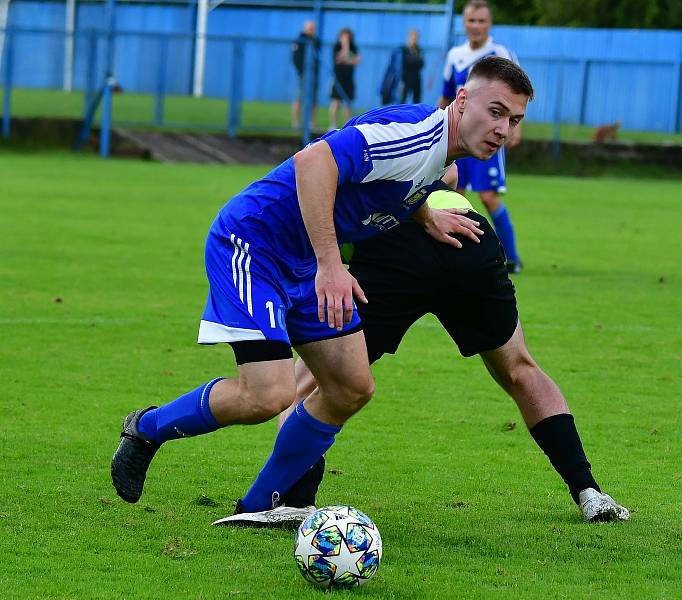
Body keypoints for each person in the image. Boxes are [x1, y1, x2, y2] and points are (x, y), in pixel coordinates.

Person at [110, 57, 535, 525]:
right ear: (462, 100)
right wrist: (332, 265)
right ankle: (146, 429)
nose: (503, 130)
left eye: (514, 120)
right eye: (495, 112)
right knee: (266, 396)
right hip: (256, 244)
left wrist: (426, 216)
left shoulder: (443, 160)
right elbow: (315, 161)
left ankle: (262, 504)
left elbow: (401, 182)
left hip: (307, 259)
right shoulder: (418, 137)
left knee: (351, 387)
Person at [214, 180, 630, 528]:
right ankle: (588, 491)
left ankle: (295, 496)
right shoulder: (432, 134)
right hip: (469, 235)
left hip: (395, 247)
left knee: (315, 378)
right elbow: (447, 174)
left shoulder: (353, 151)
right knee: (520, 368)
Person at [440, 0, 524, 274]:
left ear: (490, 24)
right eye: (471, 21)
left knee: (488, 197)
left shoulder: (500, 54)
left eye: (481, 21)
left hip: (486, 138)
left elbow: (517, 94)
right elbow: (446, 96)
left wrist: (515, 128)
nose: (476, 26)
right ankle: (453, 257)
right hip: (456, 138)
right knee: (454, 196)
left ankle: (512, 257)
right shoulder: (455, 55)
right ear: (464, 23)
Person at [290, 20, 321, 130]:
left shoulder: (316, 41)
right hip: (303, 75)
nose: (311, 30)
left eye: (313, 28)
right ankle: (296, 123)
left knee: (313, 100)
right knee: (299, 98)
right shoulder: (299, 40)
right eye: (309, 28)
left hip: (314, 75)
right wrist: (301, 72)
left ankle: (312, 123)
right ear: (305, 28)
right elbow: (295, 58)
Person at [329, 28, 360, 130]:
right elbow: (338, 59)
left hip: (349, 79)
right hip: (338, 78)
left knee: (348, 103)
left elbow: (357, 60)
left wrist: (347, 58)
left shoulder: (354, 47)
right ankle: (333, 124)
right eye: (344, 37)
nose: (346, 39)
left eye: (348, 37)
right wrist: (345, 48)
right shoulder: (336, 47)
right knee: (336, 102)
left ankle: (348, 126)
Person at [399, 29, 424, 104]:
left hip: (416, 78)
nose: (415, 39)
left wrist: (415, 59)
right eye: (413, 37)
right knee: (402, 100)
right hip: (405, 78)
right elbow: (407, 62)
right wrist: (416, 60)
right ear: (409, 37)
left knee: (417, 100)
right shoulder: (404, 49)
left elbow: (422, 63)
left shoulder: (419, 50)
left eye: (416, 37)